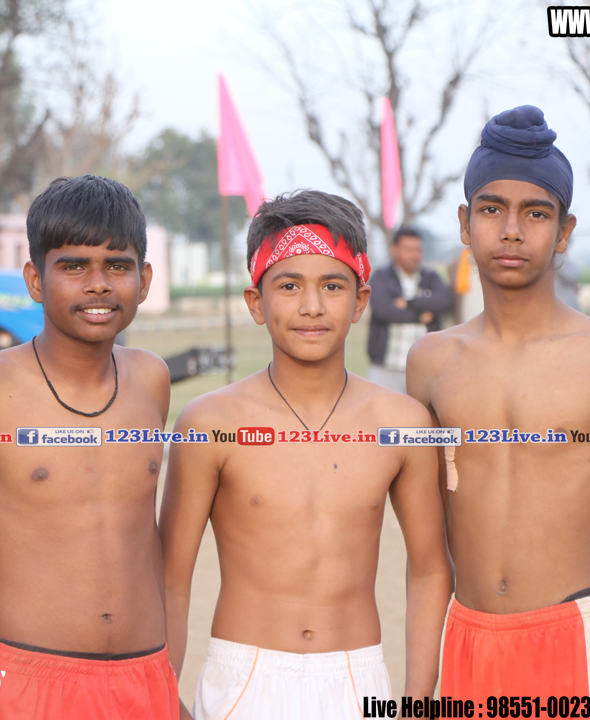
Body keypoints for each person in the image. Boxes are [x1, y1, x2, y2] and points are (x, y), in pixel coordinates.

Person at [408, 106, 590, 700]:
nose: (512, 230)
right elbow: (427, 551)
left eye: (536, 213)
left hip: (578, 646)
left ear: (564, 232)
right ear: (465, 222)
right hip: (468, 646)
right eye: (492, 209)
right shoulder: (432, 362)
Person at [0, 175, 179, 720]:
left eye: (117, 266)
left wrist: (166, 687)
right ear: (35, 280)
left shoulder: (150, 379)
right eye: (74, 266)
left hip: (145, 680)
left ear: (143, 281)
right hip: (30, 686)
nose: (98, 284)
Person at [162, 191, 452, 720]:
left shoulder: (402, 423)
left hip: (357, 681)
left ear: (360, 301)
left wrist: (416, 700)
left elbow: (431, 568)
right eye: (289, 285)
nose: (312, 306)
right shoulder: (210, 423)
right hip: (244, 682)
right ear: (256, 302)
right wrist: (163, 696)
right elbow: (170, 577)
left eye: (333, 286)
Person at [366, 226, 452, 392]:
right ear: (395, 250)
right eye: (408, 249)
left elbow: (443, 301)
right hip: (386, 368)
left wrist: (409, 302)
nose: (414, 255)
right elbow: (382, 309)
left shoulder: (431, 277)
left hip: (424, 369)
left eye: (418, 250)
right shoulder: (381, 277)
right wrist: (419, 317)